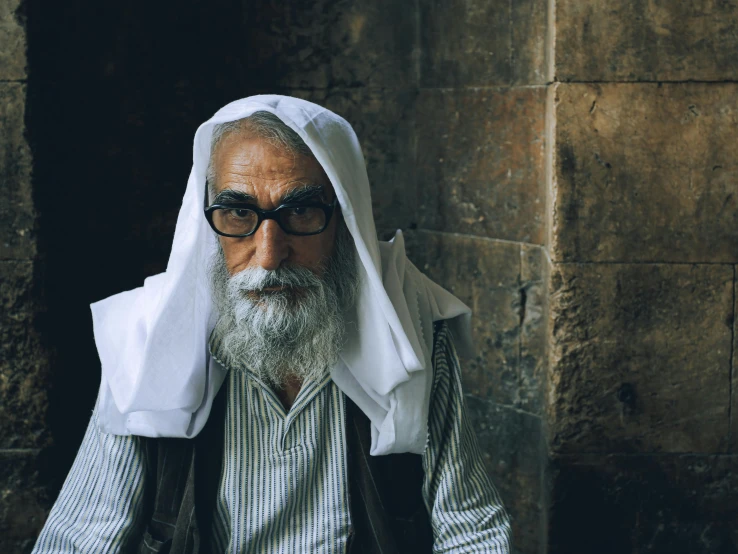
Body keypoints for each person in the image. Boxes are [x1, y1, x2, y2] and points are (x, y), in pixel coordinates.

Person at [32, 96, 511, 553]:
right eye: (240, 212)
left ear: (345, 221)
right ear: (209, 224)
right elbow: (79, 539)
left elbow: (471, 530)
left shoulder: (411, 331)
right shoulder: (144, 345)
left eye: (300, 211)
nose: (268, 255)